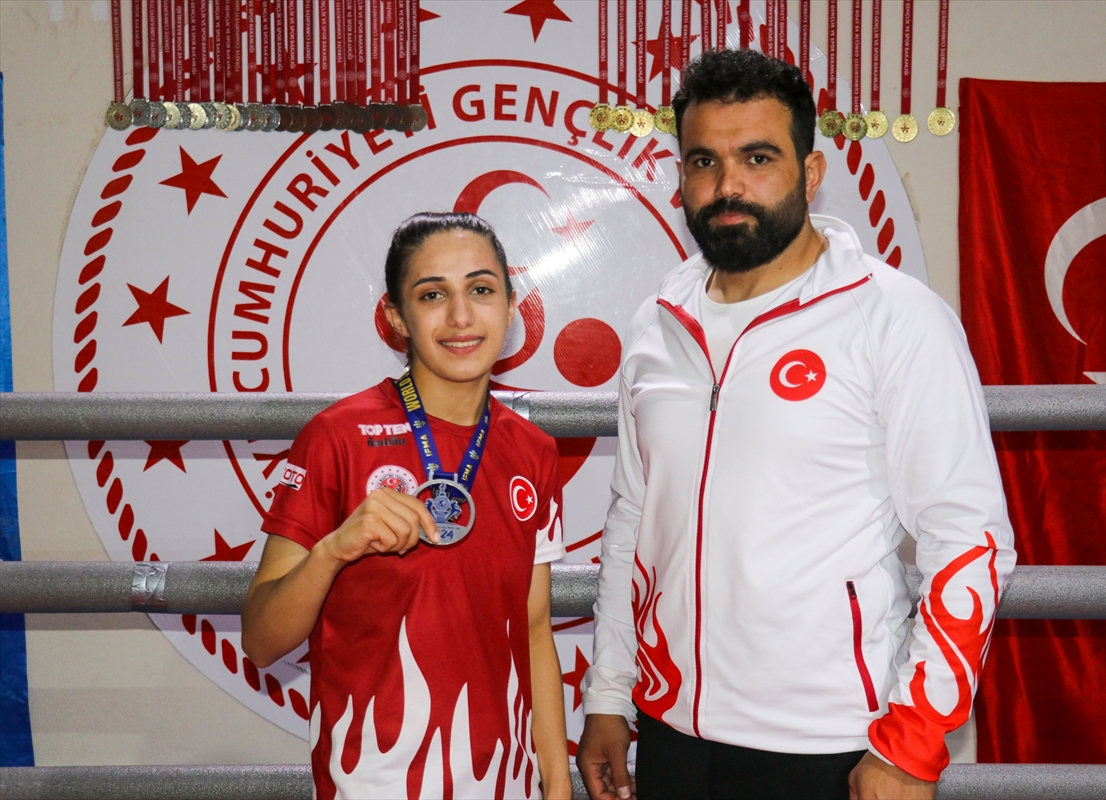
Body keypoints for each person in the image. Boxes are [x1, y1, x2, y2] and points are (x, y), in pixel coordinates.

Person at [576, 48, 1016, 800]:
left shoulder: (897, 319)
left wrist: (911, 744)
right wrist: (610, 695)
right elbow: (632, 524)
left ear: (811, 173)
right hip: (672, 731)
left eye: (758, 158)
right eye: (704, 162)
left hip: (831, 745)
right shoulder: (657, 324)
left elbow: (969, 541)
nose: (728, 186)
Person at [241, 212, 572, 800]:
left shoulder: (534, 451)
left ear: (510, 308)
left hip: (505, 784)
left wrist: (557, 785)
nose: (461, 316)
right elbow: (262, 640)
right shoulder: (337, 436)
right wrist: (333, 551)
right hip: (373, 783)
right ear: (397, 317)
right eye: (432, 295)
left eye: (481, 290)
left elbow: (533, 630)